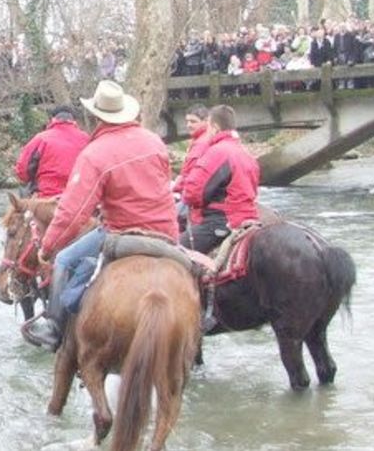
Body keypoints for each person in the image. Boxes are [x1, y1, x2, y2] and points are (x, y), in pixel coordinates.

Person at [21, 81, 178, 351]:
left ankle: (54, 328)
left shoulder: (96, 152)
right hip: (167, 232)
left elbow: (72, 213)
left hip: (121, 231)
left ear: (96, 117)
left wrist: (47, 248)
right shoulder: (155, 141)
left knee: (65, 260)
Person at [180, 105, 259, 255]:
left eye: (208, 126)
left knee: (175, 253)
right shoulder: (246, 153)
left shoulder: (217, 152)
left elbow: (192, 193)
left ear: (215, 127)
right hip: (249, 219)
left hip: (220, 222)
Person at [14, 106, 89, 198]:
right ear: (74, 121)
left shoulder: (41, 138)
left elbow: (22, 170)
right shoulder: (86, 139)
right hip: (79, 197)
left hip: (46, 197)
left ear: (52, 119)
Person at [173, 104, 211, 229]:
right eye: (187, 121)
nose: (188, 125)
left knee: (162, 218)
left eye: (193, 121)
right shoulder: (203, 139)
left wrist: (174, 189)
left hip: (194, 195)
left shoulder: (201, 143)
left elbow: (189, 174)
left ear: (206, 121)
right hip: (202, 192)